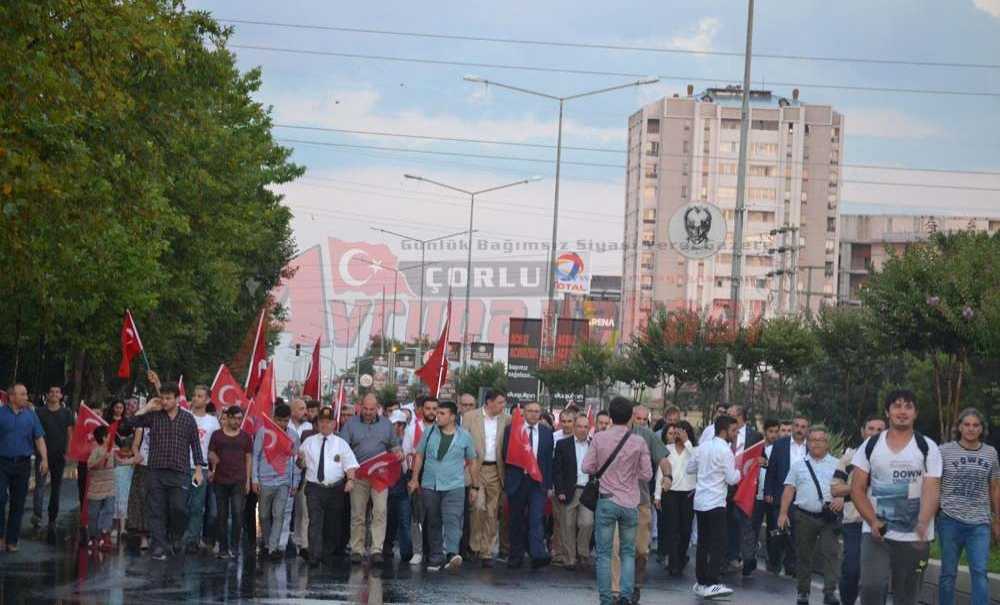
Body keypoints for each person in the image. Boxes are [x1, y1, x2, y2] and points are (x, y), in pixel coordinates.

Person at [851, 390, 942, 605]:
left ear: (915, 413)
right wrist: (873, 521)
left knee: (907, 596)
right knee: (871, 587)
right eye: (897, 406)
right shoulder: (870, 445)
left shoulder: (928, 447)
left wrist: (923, 522)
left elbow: (932, 489)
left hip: (915, 537)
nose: (902, 411)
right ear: (887, 412)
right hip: (877, 533)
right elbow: (857, 489)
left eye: (908, 406)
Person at [120, 375, 204, 560]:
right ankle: (158, 545)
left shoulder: (188, 419)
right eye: (162, 398)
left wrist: (198, 469)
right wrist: (147, 407)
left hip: (180, 472)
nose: (164, 401)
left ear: (176, 398)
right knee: (156, 510)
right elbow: (126, 425)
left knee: (179, 508)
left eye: (168, 398)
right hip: (156, 471)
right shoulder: (154, 417)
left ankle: (175, 537)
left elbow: (196, 445)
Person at [582, 396, 653, 605]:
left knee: (604, 553)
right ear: (631, 416)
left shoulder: (599, 438)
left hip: (606, 500)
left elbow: (586, 467)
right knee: (628, 552)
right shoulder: (638, 441)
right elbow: (647, 474)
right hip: (631, 502)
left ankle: (606, 598)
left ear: (610, 416)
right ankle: (625, 595)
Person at [936, 407, 999, 605]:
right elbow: (934, 483)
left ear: (982, 429)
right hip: (949, 520)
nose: (971, 429)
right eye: (967, 424)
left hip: (979, 523)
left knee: (980, 573)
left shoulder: (990, 453)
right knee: (948, 574)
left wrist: (997, 518)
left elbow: (995, 487)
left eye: (976, 425)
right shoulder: (944, 451)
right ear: (959, 427)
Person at [610, 404, 671, 604]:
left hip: (641, 501)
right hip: (615, 500)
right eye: (638, 418)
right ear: (629, 416)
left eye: (645, 419)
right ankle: (617, 591)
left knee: (640, 549)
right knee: (616, 547)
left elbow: (663, 458)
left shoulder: (648, 436)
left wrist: (668, 476)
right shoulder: (609, 435)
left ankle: (636, 584)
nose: (641, 422)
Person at [409, 400, 477, 570]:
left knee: (453, 519)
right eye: (437, 413)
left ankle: (452, 554)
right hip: (430, 484)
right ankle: (435, 555)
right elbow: (419, 456)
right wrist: (415, 478)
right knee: (433, 520)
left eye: (442, 413)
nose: (437, 416)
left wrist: (475, 486)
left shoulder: (464, 436)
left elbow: (472, 461)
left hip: (454, 485)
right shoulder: (429, 432)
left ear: (452, 417)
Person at [778, 426, 842, 605]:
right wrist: (783, 513)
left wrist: (842, 500)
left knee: (831, 554)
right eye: (812, 440)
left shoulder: (837, 464)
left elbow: (848, 487)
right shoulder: (798, 465)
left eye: (820, 440)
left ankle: (829, 592)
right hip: (804, 516)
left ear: (827, 444)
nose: (815, 444)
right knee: (804, 555)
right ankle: (803, 592)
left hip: (830, 517)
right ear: (807, 443)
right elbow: (789, 489)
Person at [339, 392, 401, 564]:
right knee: (358, 513)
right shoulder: (350, 425)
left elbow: (394, 445)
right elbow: (343, 449)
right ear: (360, 406)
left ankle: (376, 549)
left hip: (380, 476)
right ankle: (357, 549)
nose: (368, 412)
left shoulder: (387, 425)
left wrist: (398, 452)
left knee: (380, 511)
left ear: (378, 408)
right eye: (365, 409)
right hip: (358, 475)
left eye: (371, 409)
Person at [831, 416, 886, 605]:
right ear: (863, 432)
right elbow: (835, 489)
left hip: (882, 522)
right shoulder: (849, 458)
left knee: (878, 575)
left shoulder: (894, 459)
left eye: (880, 430)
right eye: (871, 428)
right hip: (854, 521)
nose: (875, 433)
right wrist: (859, 485)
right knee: (852, 569)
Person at [687, 415, 741, 598]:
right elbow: (732, 478)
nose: (735, 434)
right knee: (718, 543)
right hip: (716, 502)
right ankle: (712, 581)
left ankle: (701, 581)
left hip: (700, 501)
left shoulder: (702, 447)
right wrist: (741, 471)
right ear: (724, 431)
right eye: (734, 430)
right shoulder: (725, 451)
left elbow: (689, 468)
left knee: (703, 543)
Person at [298, 406, 358, 567]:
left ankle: (327, 553)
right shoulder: (308, 442)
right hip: (314, 488)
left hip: (335, 489)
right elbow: (300, 462)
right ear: (317, 424)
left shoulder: (341, 444)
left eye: (328, 422)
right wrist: (300, 461)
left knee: (332, 523)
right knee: (315, 521)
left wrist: (351, 480)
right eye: (322, 422)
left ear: (334, 424)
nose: (325, 425)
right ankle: (314, 555)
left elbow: (350, 464)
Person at [501, 401, 554, 570]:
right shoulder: (513, 430)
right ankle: (515, 555)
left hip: (537, 482)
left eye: (537, 411)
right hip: (518, 480)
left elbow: (547, 460)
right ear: (523, 412)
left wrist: (548, 484)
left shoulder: (547, 432)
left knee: (536, 518)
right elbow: (505, 454)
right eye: (530, 411)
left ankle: (537, 554)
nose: (533, 414)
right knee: (516, 519)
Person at [462, 389, 509, 567]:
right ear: (488, 402)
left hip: (496, 470)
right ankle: (475, 544)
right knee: (478, 506)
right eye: (500, 402)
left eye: (504, 403)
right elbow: (463, 442)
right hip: (476, 468)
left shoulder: (506, 419)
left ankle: (486, 550)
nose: (503, 406)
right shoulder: (470, 417)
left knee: (492, 511)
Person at [0, 384, 48, 553]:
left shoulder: (31, 415)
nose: (26, 397)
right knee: (0, 499)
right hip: (2, 463)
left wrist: (45, 459)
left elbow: (39, 438)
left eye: (26, 394)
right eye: (22, 394)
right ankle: (0, 536)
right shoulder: (1, 414)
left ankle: (12, 540)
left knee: (18, 503)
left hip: (23, 464)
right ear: (12, 397)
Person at [763, 413, 810, 577]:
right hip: (779, 495)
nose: (799, 430)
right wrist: (768, 490)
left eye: (803, 427)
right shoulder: (780, 445)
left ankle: (791, 565)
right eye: (796, 426)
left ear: (807, 430)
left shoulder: (811, 447)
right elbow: (771, 470)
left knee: (795, 535)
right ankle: (774, 562)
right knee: (777, 533)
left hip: (802, 497)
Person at [253, 403, 299, 561]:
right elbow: (256, 456)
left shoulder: (292, 436)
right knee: (264, 515)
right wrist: (254, 479)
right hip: (265, 481)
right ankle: (266, 543)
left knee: (278, 514)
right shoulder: (263, 432)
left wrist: (295, 483)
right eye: (279, 420)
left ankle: (273, 549)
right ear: (273, 418)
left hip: (283, 482)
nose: (282, 424)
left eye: (286, 421)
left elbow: (296, 461)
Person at [208, 406, 252, 559]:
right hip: (220, 480)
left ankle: (234, 546)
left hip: (238, 481)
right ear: (228, 417)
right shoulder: (217, 435)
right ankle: (223, 548)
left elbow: (248, 458)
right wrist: (213, 457)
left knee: (238, 514)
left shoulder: (246, 437)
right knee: (221, 515)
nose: (238, 422)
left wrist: (248, 480)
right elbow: (210, 451)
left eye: (240, 419)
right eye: (235, 418)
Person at [32, 385, 74, 535]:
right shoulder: (39, 412)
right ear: (47, 395)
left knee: (56, 488)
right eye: (52, 392)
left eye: (57, 392)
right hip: (42, 455)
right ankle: (37, 515)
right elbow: (34, 433)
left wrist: (68, 452)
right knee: (40, 486)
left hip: (59, 455)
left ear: (61, 395)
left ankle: (52, 518)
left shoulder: (67, 412)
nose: (55, 394)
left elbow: (70, 433)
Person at [553, 414, 593, 571]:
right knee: (567, 525)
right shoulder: (563, 444)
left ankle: (583, 553)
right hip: (569, 490)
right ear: (574, 428)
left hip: (587, 491)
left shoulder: (593, 445)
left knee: (587, 522)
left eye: (585, 427)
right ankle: (570, 558)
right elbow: (557, 470)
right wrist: (560, 490)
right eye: (579, 426)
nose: (582, 430)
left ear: (589, 429)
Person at [658, 420, 697, 576]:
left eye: (681, 432)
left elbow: (697, 461)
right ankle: (673, 562)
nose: (678, 435)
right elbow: (660, 473)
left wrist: (687, 442)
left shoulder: (693, 450)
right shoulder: (667, 449)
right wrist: (657, 495)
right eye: (675, 432)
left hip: (688, 494)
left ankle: (681, 557)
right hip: (671, 493)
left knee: (685, 529)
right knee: (672, 529)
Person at [183, 385, 219, 553]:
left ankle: (192, 540)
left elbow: (215, 448)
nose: (195, 398)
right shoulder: (185, 416)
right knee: (180, 505)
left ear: (207, 400)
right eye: (194, 395)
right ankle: (178, 537)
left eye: (199, 396)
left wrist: (212, 469)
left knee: (197, 506)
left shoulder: (213, 422)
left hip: (201, 470)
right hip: (182, 467)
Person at [746, 418, 781, 576]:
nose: (774, 435)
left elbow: (778, 469)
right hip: (756, 496)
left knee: (773, 531)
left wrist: (765, 463)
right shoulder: (757, 447)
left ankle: (773, 562)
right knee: (753, 528)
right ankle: (749, 558)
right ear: (765, 432)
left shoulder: (781, 449)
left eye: (776, 432)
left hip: (772, 497)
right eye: (771, 431)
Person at [406, 396, 437, 565]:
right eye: (428, 408)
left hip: (438, 475)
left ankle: (434, 550)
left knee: (435, 514)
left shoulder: (444, 429)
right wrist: (412, 478)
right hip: (417, 474)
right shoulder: (412, 429)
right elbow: (406, 452)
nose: (431, 412)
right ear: (421, 410)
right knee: (417, 515)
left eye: (435, 409)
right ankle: (418, 551)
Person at [383, 410, 413, 563]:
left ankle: (406, 552)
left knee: (403, 518)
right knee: (387, 517)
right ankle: (386, 547)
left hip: (402, 483)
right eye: (393, 424)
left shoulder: (409, 439)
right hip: (386, 482)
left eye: (398, 424)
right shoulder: (384, 439)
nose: (396, 427)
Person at [550, 405, 577, 566]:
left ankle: (573, 552)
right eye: (564, 421)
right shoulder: (554, 437)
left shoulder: (581, 437)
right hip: (557, 485)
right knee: (559, 520)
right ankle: (558, 552)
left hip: (575, 485)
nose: (566, 424)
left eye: (570, 421)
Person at [287, 398, 312, 558]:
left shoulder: (309, 427)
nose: (305, 412)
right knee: (286, 510)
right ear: (293, 410)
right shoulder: (284, 426)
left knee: (303, 510)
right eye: (302, 408)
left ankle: (303, 542)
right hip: (285, 472)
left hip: (303, 473)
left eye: (305, 408)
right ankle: (283, 542)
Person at [87, 425, 116, 552]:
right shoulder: (96, 450)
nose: (111, 437)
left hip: (110, 488)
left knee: (109, 510)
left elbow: (119, 461)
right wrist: (102, 458)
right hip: (96, 489)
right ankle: (94, 537)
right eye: (109, 435)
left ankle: (106, 534)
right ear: (104, 438)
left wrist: (133, 459)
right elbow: (90, 465)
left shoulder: (112, 450)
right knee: (93, 514)